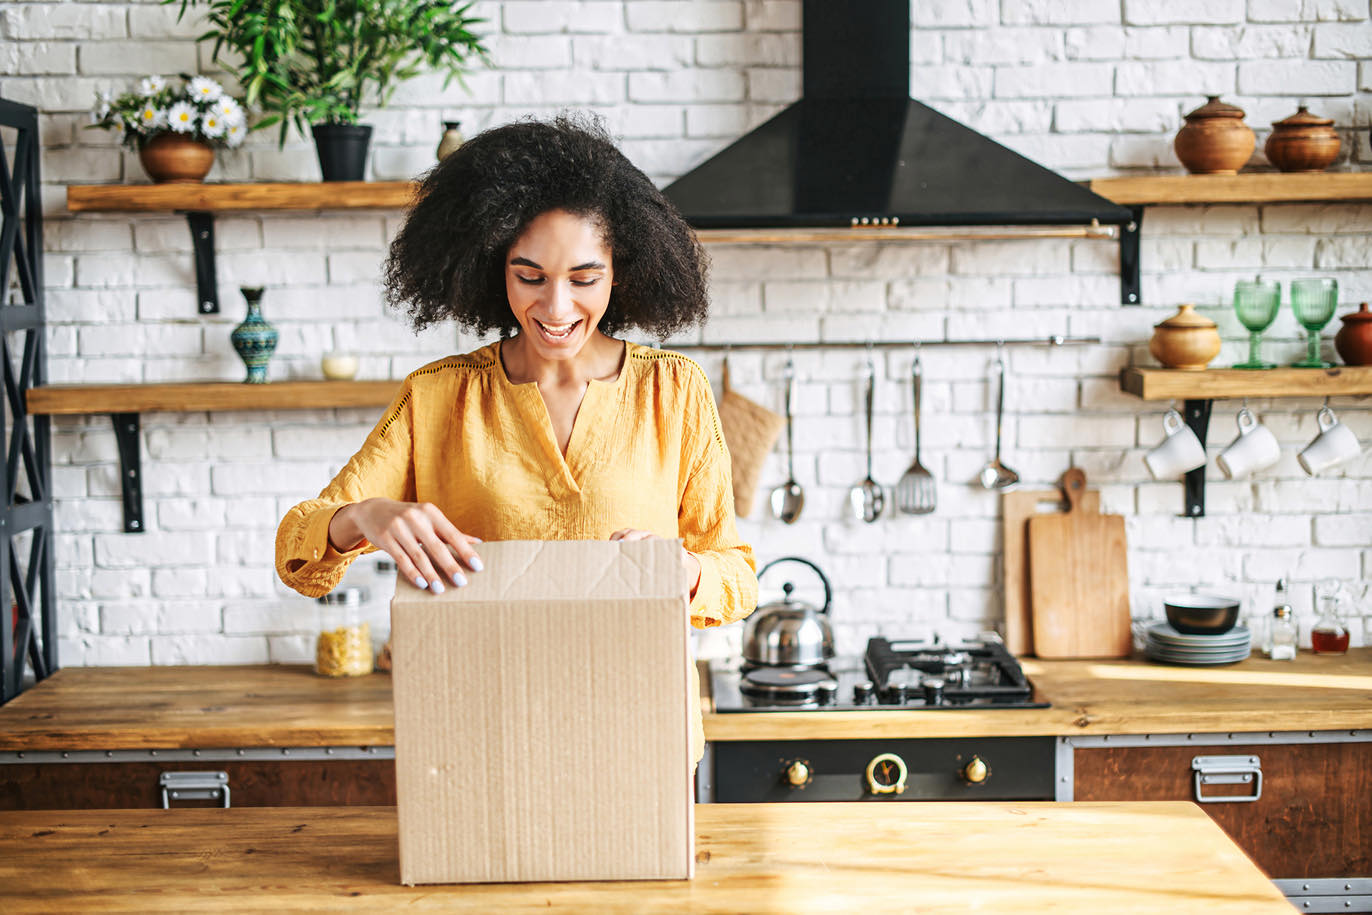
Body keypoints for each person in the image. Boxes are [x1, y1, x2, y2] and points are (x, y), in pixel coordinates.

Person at [275, 115, 757, 763]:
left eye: (584, 278)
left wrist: (689, 570)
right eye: (530, 276)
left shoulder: (674, 391)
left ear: (622, 270)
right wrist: (365, 514)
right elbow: (297, 553)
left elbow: (737, 576)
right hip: (480, 740)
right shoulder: (438, 395)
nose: (556, 310)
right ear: (491, 266)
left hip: (639, 735)